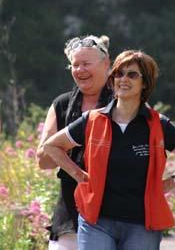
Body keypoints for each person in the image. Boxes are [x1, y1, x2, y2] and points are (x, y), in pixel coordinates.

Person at [42, 50, 175, 250]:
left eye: (132, 75)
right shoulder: (93, 120)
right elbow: (51, 146)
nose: (123, 79)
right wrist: (78, 174)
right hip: (96, 221)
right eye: (119, 74)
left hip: (142, 224)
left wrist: (172, 182)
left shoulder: (157, 125)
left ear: (145, 82)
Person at [36, 35, 113, 249]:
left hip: (116, 208)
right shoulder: (62, 104)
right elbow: (43, 160)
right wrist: (74, 139)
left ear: (106, 64)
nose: (80, 70)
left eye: (86, 64)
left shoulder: (123, 102)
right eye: (75, 65)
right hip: (71, 208)